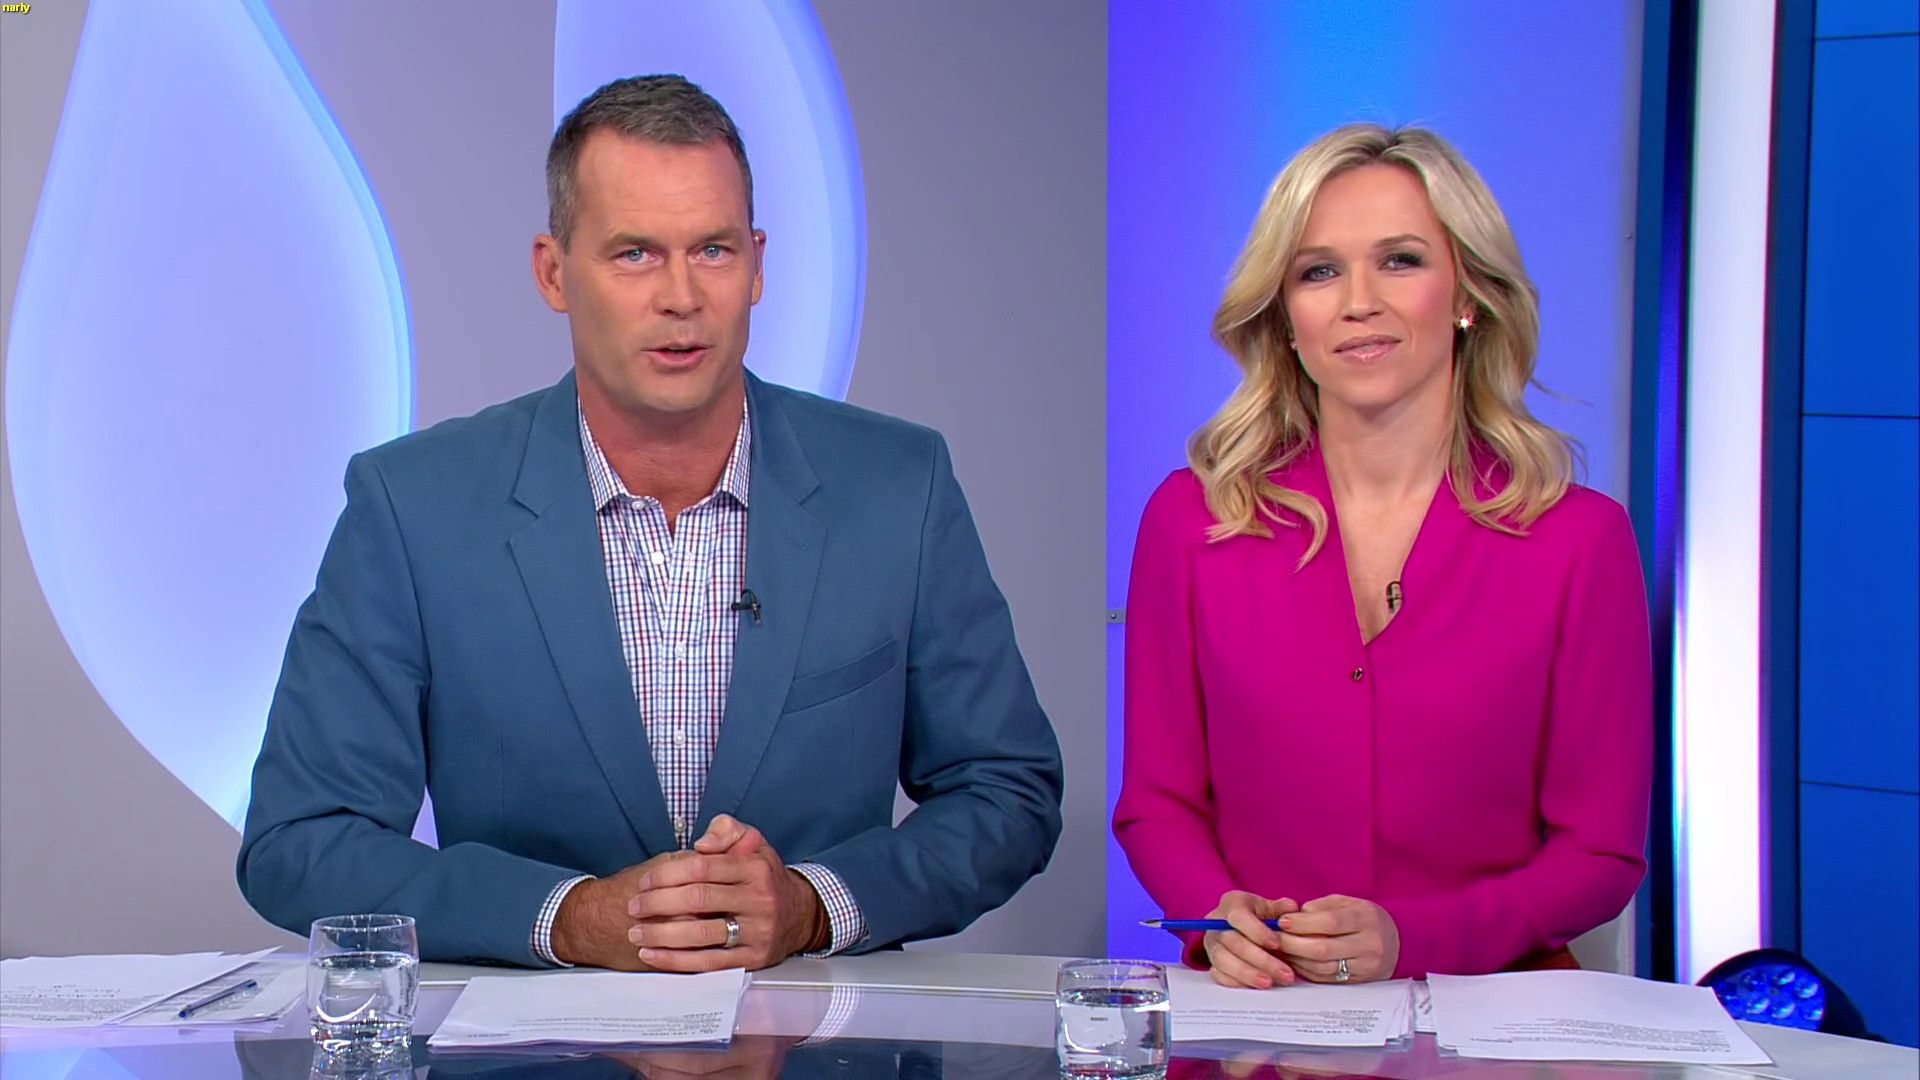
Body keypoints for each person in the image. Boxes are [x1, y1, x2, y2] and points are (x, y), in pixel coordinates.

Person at [237, 75, 1063, 971]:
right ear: (554, 273)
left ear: (757, 264)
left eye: (712, 250)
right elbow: (301, 840)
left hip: (817, 1035)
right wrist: (566, 918)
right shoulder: (413, 506)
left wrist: (813, 906)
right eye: (634, 254)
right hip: (533, 1043)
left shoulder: (900, 487)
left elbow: (1007, 791)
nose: (681, 296)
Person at [1113, 123, 1651, 988]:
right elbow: (1158, 805)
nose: (1358, 301)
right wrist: (1217, 914)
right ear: (1286, 318)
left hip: (1489, 1014)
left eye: (1400, 260)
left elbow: (1600, 854)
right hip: (1263, 1010)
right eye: (1319, 271)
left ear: (1468, 294)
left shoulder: (1577, 540)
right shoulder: (1193, 522)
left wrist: (1414, 938)